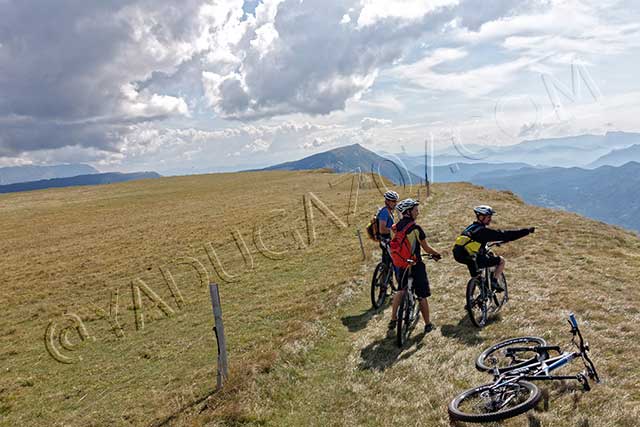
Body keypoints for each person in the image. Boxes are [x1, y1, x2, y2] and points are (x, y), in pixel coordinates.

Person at [388, 198, 442, 334]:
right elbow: (426, 248)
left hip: (401, 265)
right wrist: (436, 254)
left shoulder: (394, 228)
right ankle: (428, 324)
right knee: (422, 296)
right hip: (416, 265)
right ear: (408, 212)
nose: (418, 212)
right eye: (415, 210)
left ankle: (393, 318)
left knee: (400, 290)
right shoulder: (416, 229)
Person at [452, 205, 535, 291]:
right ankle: (494, 281)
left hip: (459, 255)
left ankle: (472, 299)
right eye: (488, 217)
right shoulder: (483, 231)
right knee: (501, 261)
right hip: (473, 257)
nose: (490, 219)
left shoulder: (471, 227)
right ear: (481, 217)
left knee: (477, 276)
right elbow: (505, 235)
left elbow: (475, 241)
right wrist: (526, 231)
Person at [377, 190, 399, 264]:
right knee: (395, 261)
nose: (395, 203)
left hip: (388, 239)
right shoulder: (385, 212)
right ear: (387, 201)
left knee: (388, 262)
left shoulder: (389, 211)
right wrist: (394, 230)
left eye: (396, 201)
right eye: (393, 201)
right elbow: (382, 229)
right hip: (385, 240)